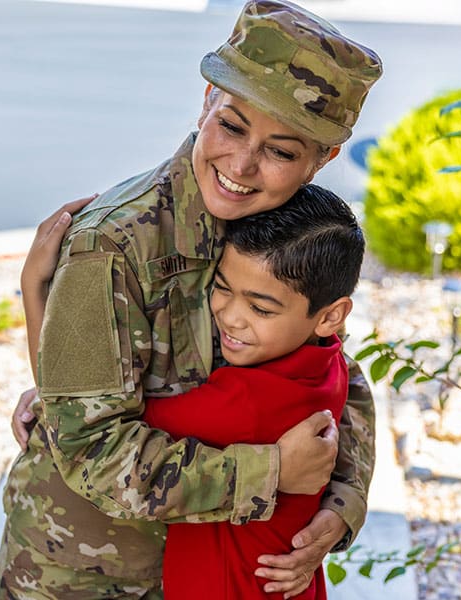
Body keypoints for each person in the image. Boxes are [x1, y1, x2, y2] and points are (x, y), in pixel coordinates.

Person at [0, 1, 382, 598]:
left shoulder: (295, 232)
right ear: (206, 101)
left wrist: (341, 505)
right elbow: (90, 449)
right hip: (87, 576)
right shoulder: (113, 244)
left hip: (213, 571)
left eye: (281, 151)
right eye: (232, 125)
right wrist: (271, 471)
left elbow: (332, 372)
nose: (241, 166)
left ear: (322, 160)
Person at [140, 184, 363, 599]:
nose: (230, 316)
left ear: (331, 315)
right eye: (222, 286)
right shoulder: (328, 363)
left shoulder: (249, 403)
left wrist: (34, 291)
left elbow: (108, 422)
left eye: (260, 308)